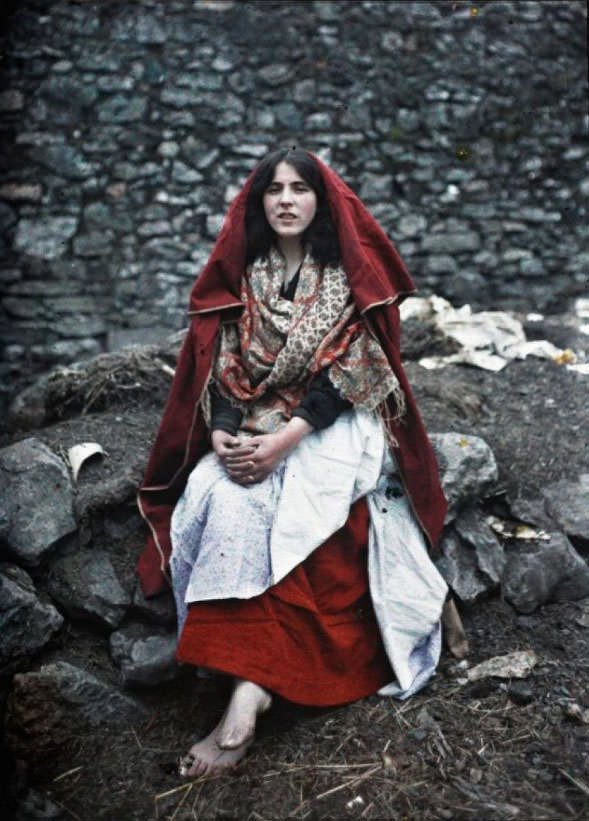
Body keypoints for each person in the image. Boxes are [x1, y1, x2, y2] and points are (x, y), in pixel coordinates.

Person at [136, 147, 461, 778]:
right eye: (274, 189)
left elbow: (354, 370)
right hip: (255, 418)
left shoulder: (346, 274)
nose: (286, 200)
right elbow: (227, 367)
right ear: (258, 202)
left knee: (302, 505)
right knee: (219, 494)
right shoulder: (246, 276)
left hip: (331, 421)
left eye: (300, 188)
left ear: (321, 200)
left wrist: (285, 441)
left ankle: (248, 696)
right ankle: (240, 672)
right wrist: (224, 433)